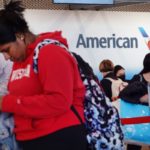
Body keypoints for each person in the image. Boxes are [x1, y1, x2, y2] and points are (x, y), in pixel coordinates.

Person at [0, 1, 87, 150]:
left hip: (58, 138)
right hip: (29, 139)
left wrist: (6, 103)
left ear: (20, 35)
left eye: (6, 50)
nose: (6, 57)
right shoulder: (20, 60)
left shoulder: (50, 52)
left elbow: (59, 101)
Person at [119, 53, 150, 150]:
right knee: (135, 144)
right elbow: (123, 95)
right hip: (139, 118)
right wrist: (141, 99)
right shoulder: (138, 78)